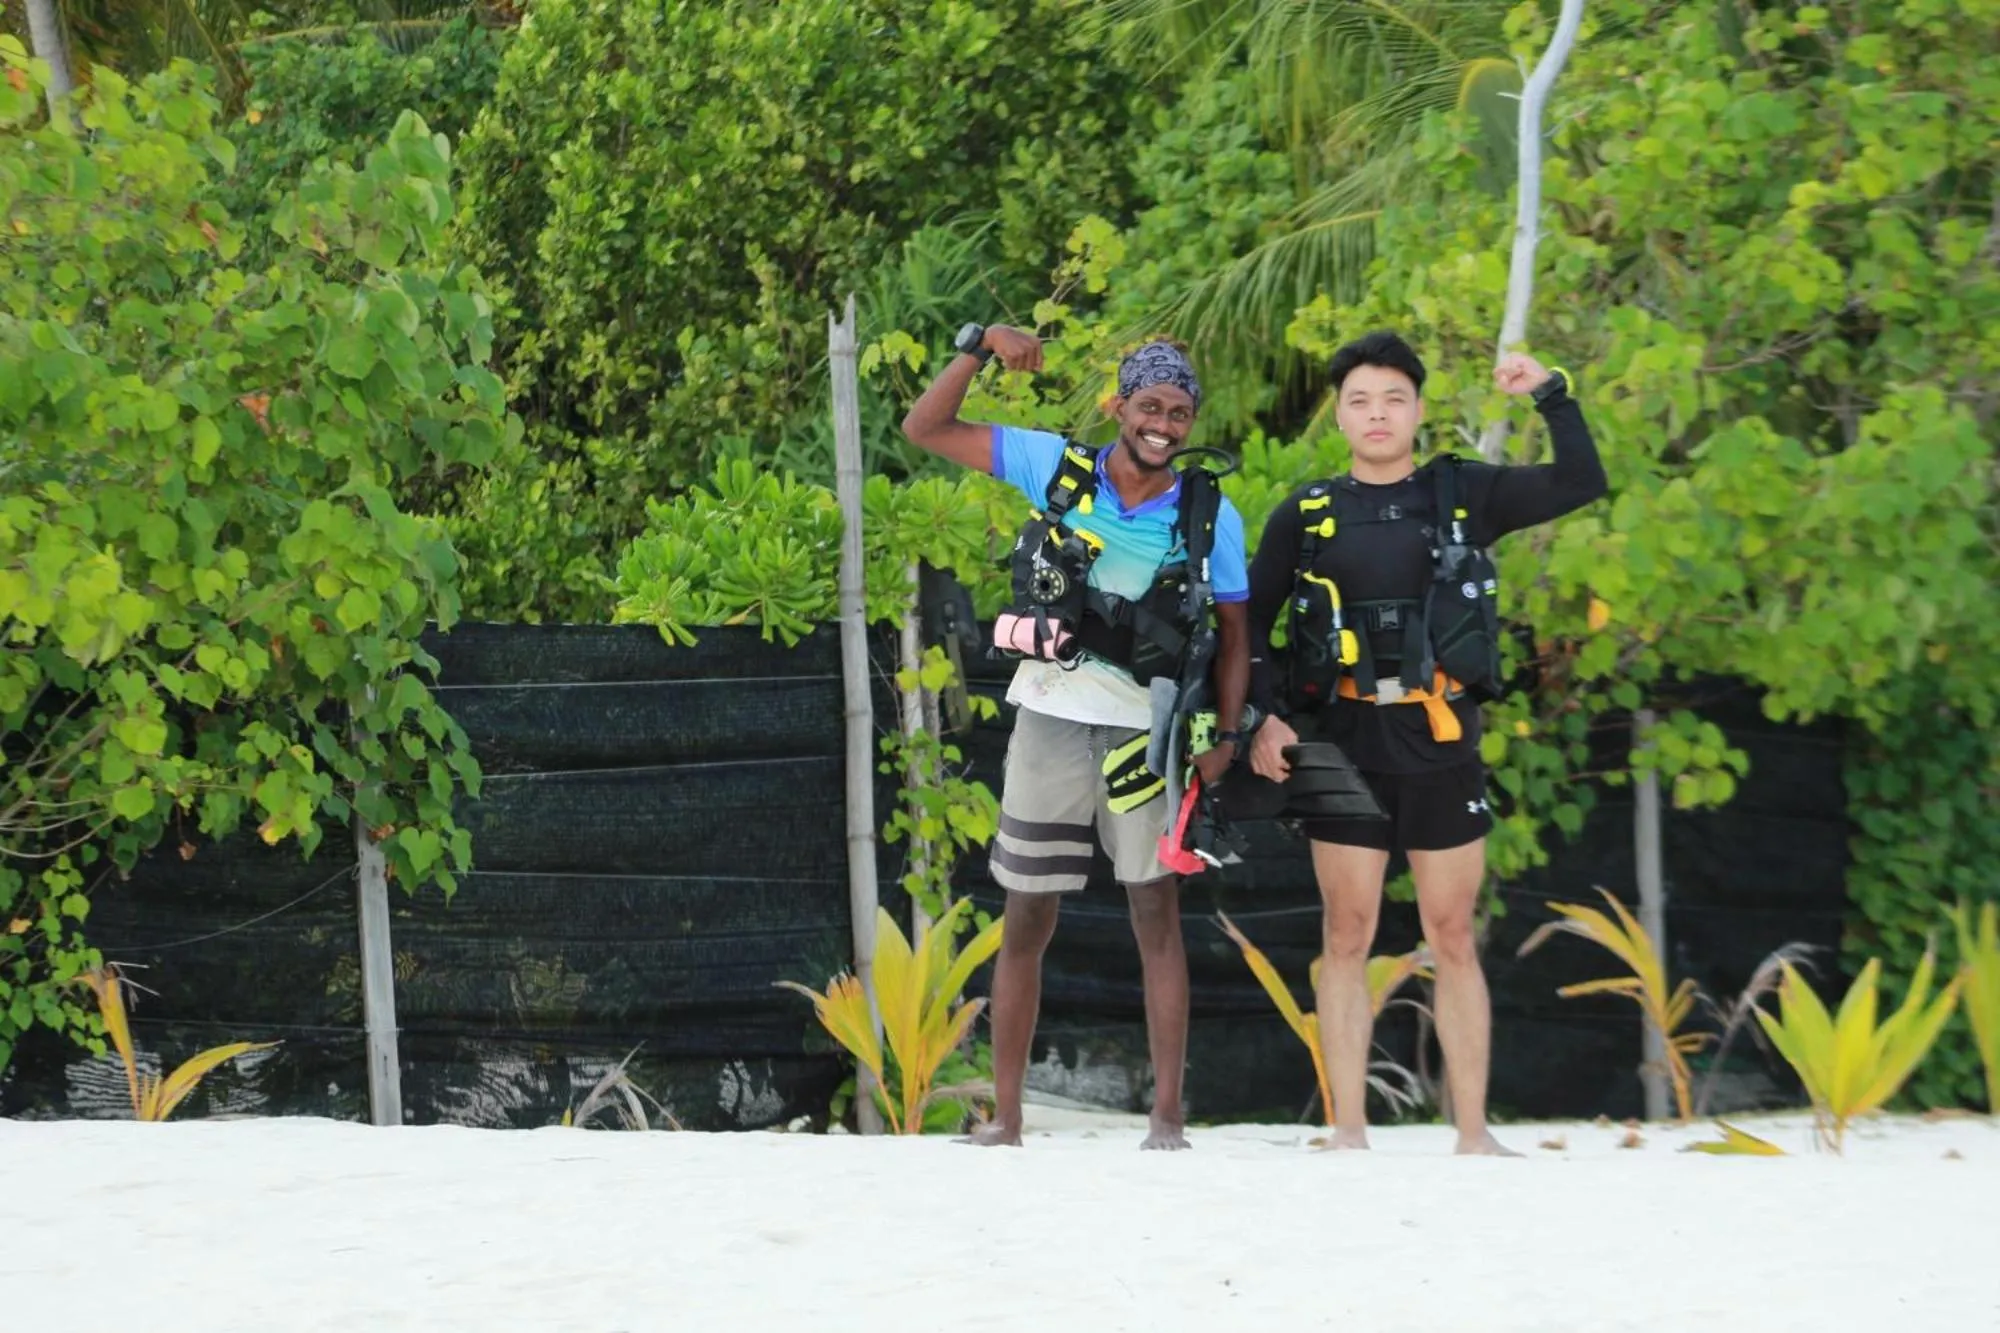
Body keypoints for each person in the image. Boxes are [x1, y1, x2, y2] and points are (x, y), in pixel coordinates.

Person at [1245, 331, 1607, 1155]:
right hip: (1340, 744)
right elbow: (1249, 623)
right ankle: (1349, 1131)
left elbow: (1583, 480)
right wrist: (1262, 717)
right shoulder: (1304, 513)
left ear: (1418, 408)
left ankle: (1473, 1132)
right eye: (1360, 401)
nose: (1377, 414)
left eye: (1393, 399)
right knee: (1346, 933)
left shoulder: (1462, 492)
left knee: (1452, 934)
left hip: (1443, 740)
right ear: (1338, 413)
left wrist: (1551, 391)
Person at [900, 322, 1252, 1150]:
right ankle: (1009, 1119)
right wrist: (978, 346)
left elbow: (1236, 636)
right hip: (1051, 718)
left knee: (1153, 915)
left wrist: (1224, 735)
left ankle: (1167, 1118)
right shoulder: (1054, 466)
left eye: (1179, 411)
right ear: (1119, 405)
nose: (1163, 423)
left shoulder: (1209, 512)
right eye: (1149, 404)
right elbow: (925, 428)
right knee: (1026, 917)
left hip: (1144, 735)